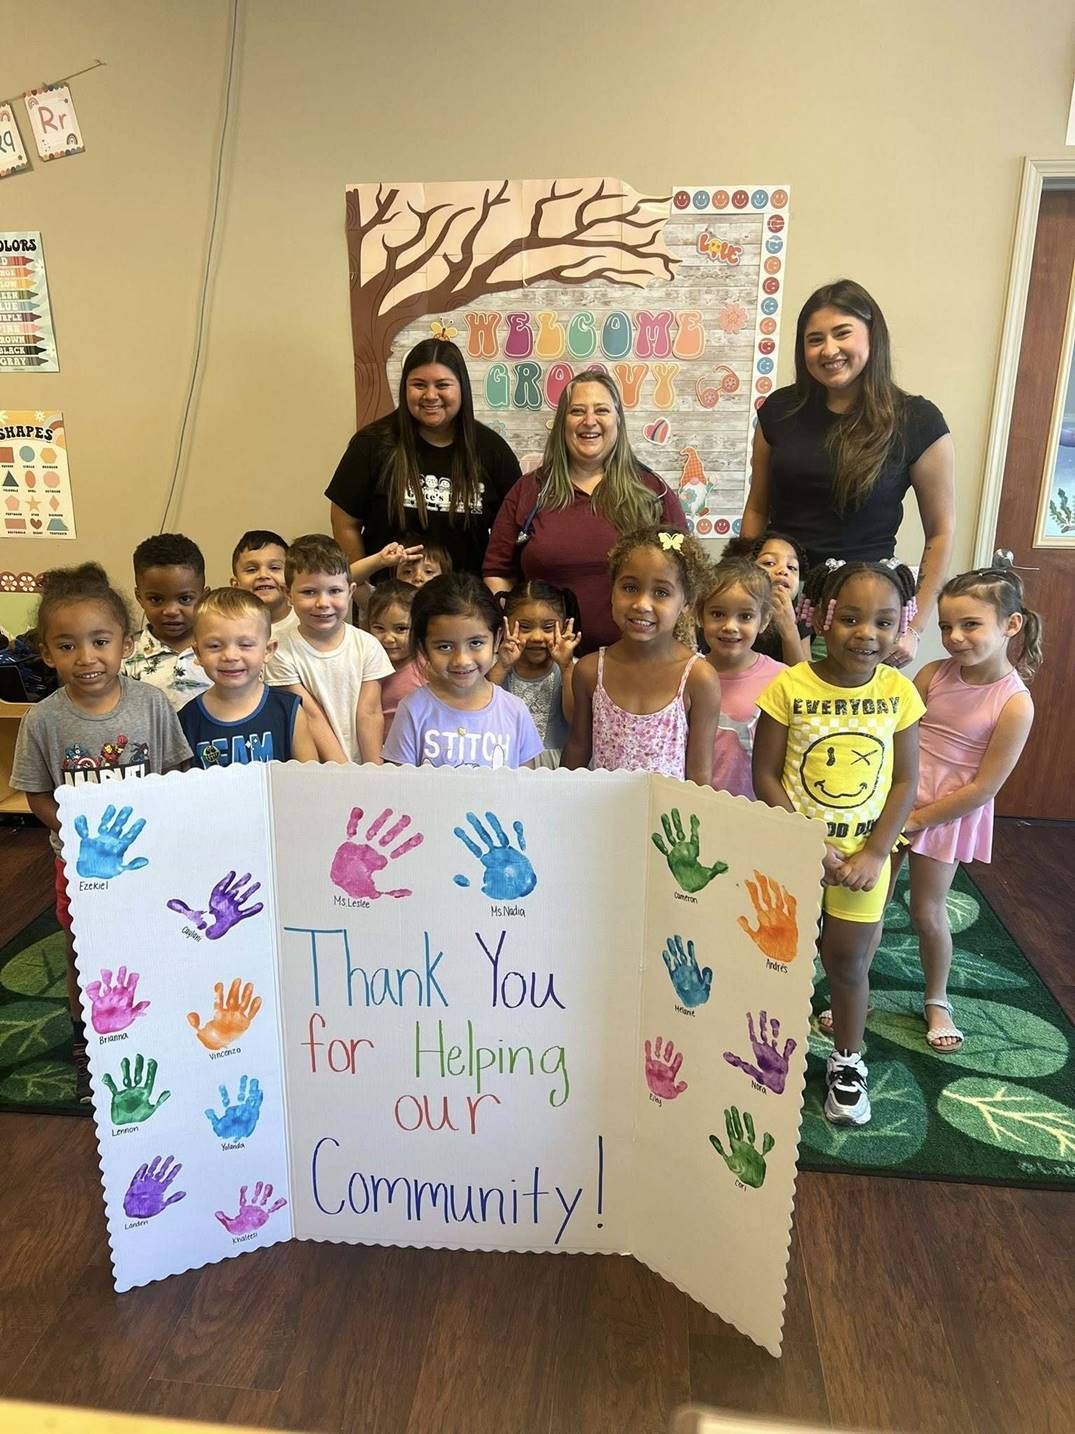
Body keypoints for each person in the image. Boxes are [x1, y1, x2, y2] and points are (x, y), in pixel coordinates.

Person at [10, 563, 191, 1102]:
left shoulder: (151, 705)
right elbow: (37, 793)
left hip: (148, 861)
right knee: (81, 951)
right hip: (80, 868)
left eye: (100, 641)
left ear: (127, 644)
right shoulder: (42, 720)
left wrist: (161, 829)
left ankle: (158, 1029)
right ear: (46, 653)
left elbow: (177, 774)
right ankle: (88, 1044)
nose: (86, 657)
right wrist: (74, 833)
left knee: (152, 945)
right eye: (67, 646)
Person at [753, 559, 924, 1126]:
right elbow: (767, 777)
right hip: (795, 852)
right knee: (781, 958)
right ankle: (768, 1052)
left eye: (883, 622)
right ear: (820, 616)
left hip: (863, 862)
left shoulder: (899, 692)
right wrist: (809, 845)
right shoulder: (789, 686)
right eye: (850, 618)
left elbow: (904, 781)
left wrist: (876, 852)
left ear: (901, 627)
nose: (866, 634)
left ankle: (848, 1062)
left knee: (848, 962)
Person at [741, 279, 955, 667]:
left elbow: (940, 532)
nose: (828, 350)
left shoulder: (917, 420)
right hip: (779, 598)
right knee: (768, 718)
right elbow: (757, 509)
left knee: (843, 723)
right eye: (814, 339)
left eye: (842, 334)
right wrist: (745, 592)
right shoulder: (778, 411)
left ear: (873, 336)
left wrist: (915, 626)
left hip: (861, 607)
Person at [884, 566, 1039, 1051]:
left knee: (926, 911)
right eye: (947, 626)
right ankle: (855, 985)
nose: (953, 637)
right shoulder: (933, 674)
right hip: (899, 799)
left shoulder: (1014, 703)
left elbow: (984, 787)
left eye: (970, 625)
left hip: (944, 815)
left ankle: (936, 998)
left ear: (1010, 626)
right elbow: (899, 739)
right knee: (869, 904)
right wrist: (893, 808)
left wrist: (917, 820)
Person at [484, 370, 687, 655]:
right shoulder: (529, 491)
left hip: (636, 665)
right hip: (545, 665)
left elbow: (686, 575)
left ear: (618, 419)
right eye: (577, 411)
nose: (589, 421)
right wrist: (516, 629)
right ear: (562, 423)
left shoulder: (654, 492)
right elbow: (497, 571)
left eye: (601, 410)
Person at [327, 338, 520, 578]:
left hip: (465, 605)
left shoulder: (492, 450)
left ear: (462, 388)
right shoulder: (371, 444)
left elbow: (513, 532)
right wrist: (361, 588)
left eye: (442, 385)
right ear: (404, 388)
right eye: (419, 385)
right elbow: (345, 522)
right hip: (389, 603)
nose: (430, 395)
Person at [561, 527, 721, 782]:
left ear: (686, 603)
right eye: (630, 587)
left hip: (665, 820)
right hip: (599, 817)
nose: (642, 604)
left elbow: (700, 774)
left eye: (661, 592)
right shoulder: (590, 671)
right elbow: (577, 749)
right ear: (612, 590)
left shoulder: (699, 678)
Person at [383, 573, 542, 769]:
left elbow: (526, 788)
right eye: (444, 647)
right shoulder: (412, 710)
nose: (462, 660)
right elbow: (398, 790)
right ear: (423, 647)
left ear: (498, 637)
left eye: (475, 643)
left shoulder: (515, 711)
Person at [265, 534, 390, 763]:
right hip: (316, 768)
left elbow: (370, 713)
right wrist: (343, 772)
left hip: (366, 766)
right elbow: (311, 716)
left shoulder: (368, 646)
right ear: (288, 594)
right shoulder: (278, 650)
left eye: (334, 591)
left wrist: (374, 772)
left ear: (350, 591)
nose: (323, 603)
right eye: (309, 592)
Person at [181, 588, 318, 767]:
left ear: (268, 650)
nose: (230, 656)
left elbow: (310, 781)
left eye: (245, 644)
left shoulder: (289, 711)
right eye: (215, 646)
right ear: (198, 653)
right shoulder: (186, 720)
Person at [698, 558, 784, 799]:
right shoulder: (688, 674)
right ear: (700, 615)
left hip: (758, 809)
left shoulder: (782, 679)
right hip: (698, 806)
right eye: (717, 614)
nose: (730, 626)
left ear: (764, 620)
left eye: (745, 617)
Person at [489, 579, 581, 768]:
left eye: (548, 628)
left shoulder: (573, 668)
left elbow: (575, 719)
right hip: (506, 764)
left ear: (564, 627)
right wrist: (503, 665)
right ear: (505, 625)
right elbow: (478, 705)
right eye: (524, 627)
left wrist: (566, 667)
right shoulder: (494, 665)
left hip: (557, 769)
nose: (537, 637)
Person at [122, 533, 211, 709]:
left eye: (185, 599)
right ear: (139, 597)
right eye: (156, 599)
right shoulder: (125, 655)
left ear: (204, 596)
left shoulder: (223, 648)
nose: (170, 611)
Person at [365, 579, 426, 738]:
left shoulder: (427, 666)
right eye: (379, 628)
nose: (388, 638)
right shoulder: (363, 664)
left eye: (400, 629)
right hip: (375, 752)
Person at [230, 529, 298, 640]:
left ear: (290, 578)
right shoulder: (228, 627)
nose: (263, 575)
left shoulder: (306, 621)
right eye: (251, 569)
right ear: (236, 585)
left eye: (274, 568)